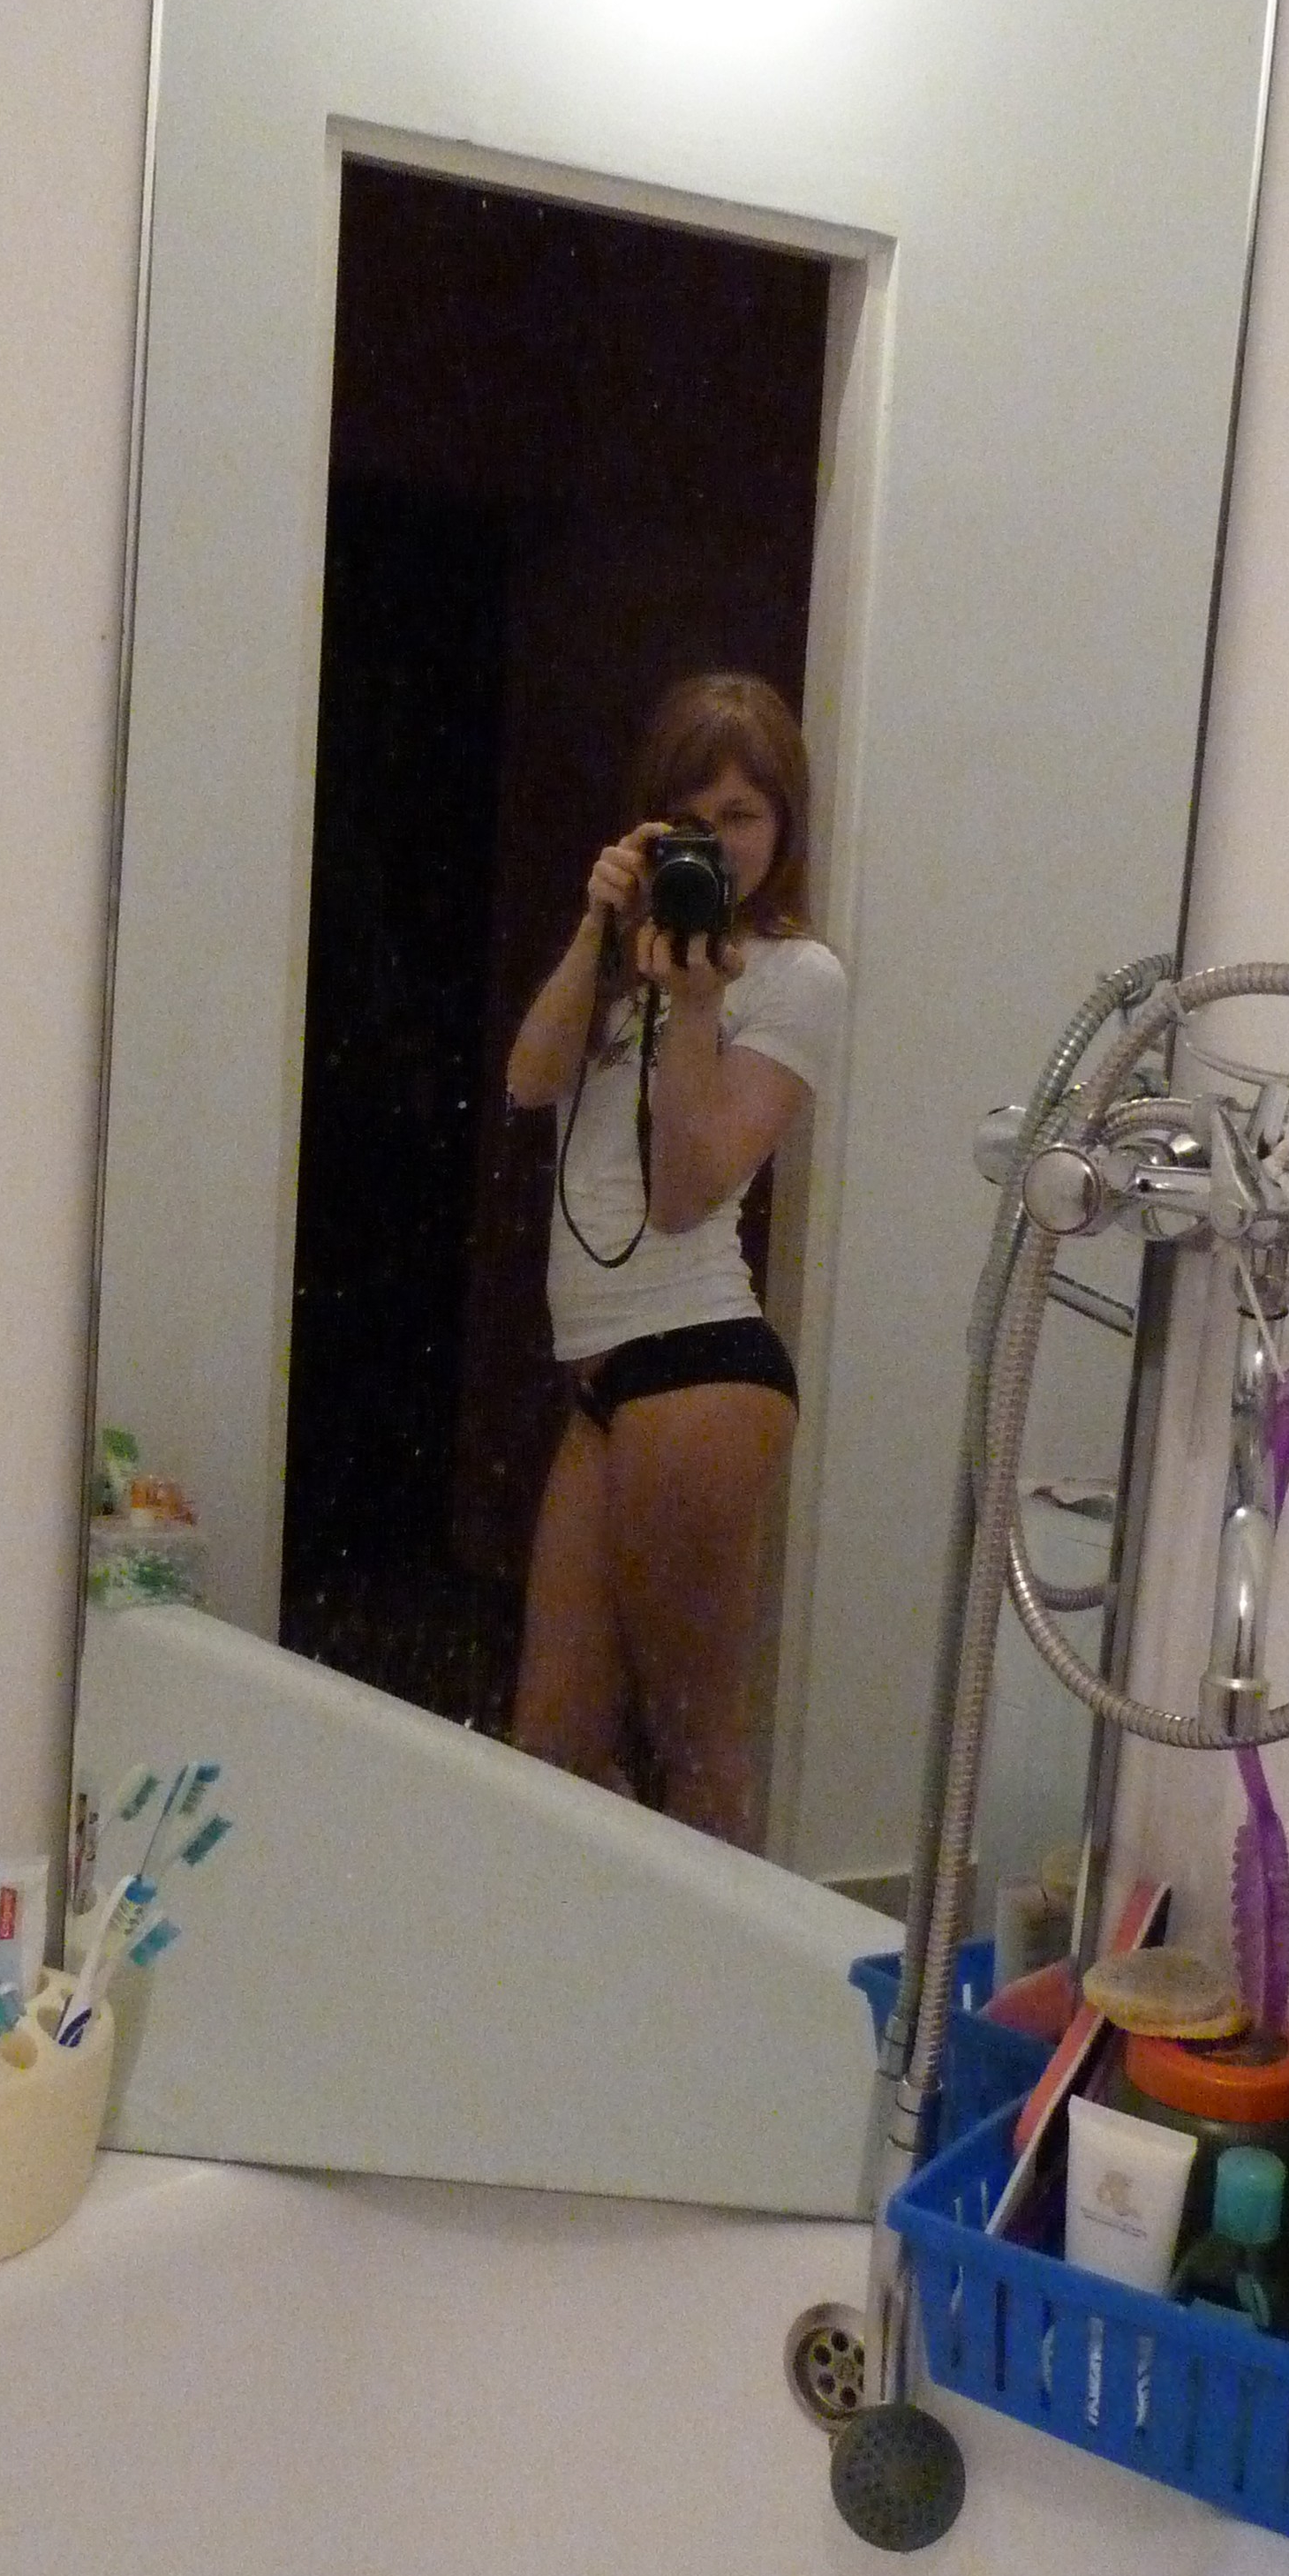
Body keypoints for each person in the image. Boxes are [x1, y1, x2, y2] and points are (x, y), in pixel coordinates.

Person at [502, 672, 846, 1847]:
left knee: (698, 1746)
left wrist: (697, 1010)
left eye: (743, 815)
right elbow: (528, 1081)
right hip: (602, 1381)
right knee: (553, 1747)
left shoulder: (796, 977)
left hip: (699, 1365)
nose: (721, 841)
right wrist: (598, 931)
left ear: (784, 825)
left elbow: (689, 1191)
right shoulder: (625, 957)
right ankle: (617, 1942)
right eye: (693, 818)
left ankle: (718, 1957)